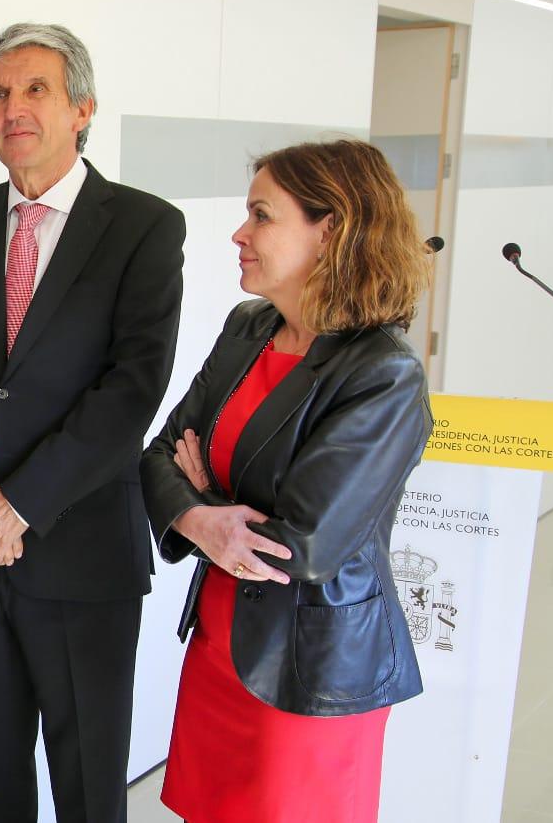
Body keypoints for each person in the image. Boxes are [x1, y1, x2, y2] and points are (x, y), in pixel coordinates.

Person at [0, 22, 186, 823]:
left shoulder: (143, 226)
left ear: (82, 109)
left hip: (81, 547)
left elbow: (132, 389)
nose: (12, 108)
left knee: (89, 785)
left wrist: (18, 503)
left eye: (35, 89)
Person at [140, 139, 432, 823]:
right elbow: (158, 456)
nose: (239, 234)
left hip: (310, 670)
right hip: (220, 646)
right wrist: (203, 517)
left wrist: (202, 495)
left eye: (262, 215)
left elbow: (302, 545)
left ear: (331, 230)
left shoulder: (382, 373)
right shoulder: (249, 328)